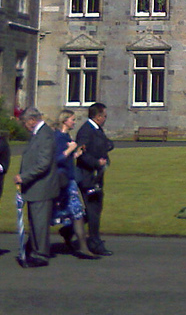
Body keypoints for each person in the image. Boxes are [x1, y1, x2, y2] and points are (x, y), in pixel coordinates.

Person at [16, 107, 60, 267]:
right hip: (35, 187)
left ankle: (40, 254)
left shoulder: (45, 135)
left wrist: (24, 176)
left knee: (40, 222)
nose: (24, 126)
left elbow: (43, 164)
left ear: (32, 120)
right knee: (35, 221)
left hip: (42, 187)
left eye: (25, 123)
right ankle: (34, 250)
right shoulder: (39, 134)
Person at [51, 109, 96, 258]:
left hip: (69, 180)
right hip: (61, 181)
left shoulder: (65, 136)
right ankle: (33, 245)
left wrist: (76, 153)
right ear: (65, 121)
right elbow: (56, 159)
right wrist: (70, 150)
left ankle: (80, 244)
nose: (74, 122)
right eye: (72, 119)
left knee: (77, 213)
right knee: (53, 214)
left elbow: (67, 158)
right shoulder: (59, 137)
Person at [76, 101, 114, 255]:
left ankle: (68, 230)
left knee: (96, 209)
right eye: (104, 116)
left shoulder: (97, 130)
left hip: (97, 176)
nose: (105, 118)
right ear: (98, 116)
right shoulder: (86, 131)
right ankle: (94, 242)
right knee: (93, 209)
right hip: (88, 176)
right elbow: (81, 153)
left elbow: (106, 144)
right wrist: (96, 162)